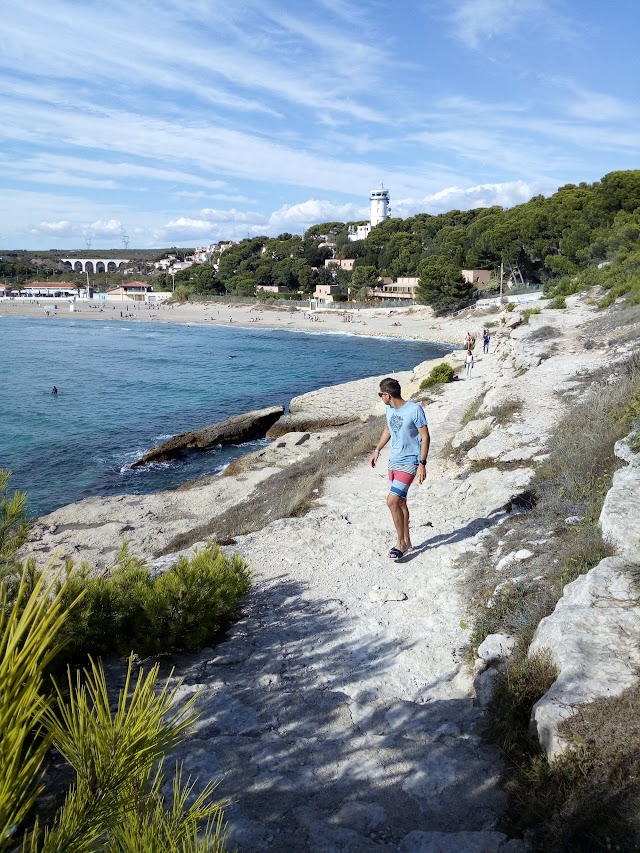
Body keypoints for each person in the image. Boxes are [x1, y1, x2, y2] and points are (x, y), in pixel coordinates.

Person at [370, 377, 430, 560]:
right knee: (401, 502)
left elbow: (425, 437)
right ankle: (407, 541)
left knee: (391, 501)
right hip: (393, 461)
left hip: (410, 462)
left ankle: (400, 543)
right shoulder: (389, 409)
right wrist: (377, 449)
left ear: (387, 395)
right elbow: (388, 430)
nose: (380, 397)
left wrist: (422, 463)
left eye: (380, 394)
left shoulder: (414, 410)